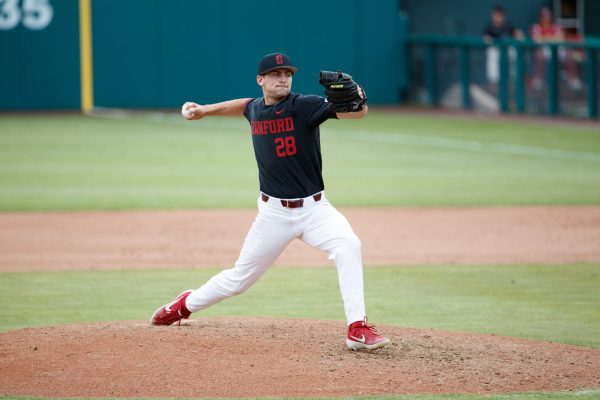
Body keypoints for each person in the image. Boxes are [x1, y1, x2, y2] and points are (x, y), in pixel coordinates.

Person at [150, 52, 390, 351]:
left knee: (348, 245)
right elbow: (242, 106)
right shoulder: (255, 108)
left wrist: (361, 103)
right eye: (276, 74)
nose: (283, 78)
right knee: (240, 280)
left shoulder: (304, 106)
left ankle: (357, 327)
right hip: (273, 215)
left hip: (316, 210)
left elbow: (355, 113)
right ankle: (184, 305)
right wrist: (204, 111)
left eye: (287, 74)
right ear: (260, 80)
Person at [530, 7, 582, 90]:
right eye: (544, 17)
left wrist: (545, 38)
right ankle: (538, 79)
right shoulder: (536, 26)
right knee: (539, 54)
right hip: (545, 49)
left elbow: (560, 38)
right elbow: (537, 39)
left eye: (548, 17)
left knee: (569, 54)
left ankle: (573, 79)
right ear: (540, 18)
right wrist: (551, 37)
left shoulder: (555, 26)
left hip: (558, 48)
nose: (546, 19)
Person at [482, 5, 524, 87]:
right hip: (495, 50)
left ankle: (514, 79)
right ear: (493, 15)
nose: (499, 18)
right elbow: (485, 38)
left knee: (514, 53)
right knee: (492, 54)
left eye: (501, 15)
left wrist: (519, 34)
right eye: (497, 15)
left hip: (507, 49)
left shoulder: (508, 25)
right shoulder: (489, 27)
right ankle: (494, 82)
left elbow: (517, 33)